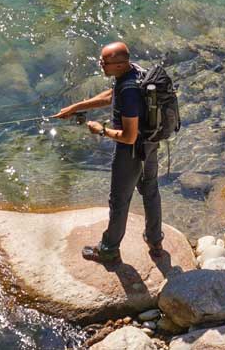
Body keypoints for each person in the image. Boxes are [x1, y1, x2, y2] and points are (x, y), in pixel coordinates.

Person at [53, 41, 163, 263]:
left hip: (131, 152)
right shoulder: (136, 72)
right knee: (150, 191)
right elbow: (111, 96)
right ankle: (155, 240)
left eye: (105, 62)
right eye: (101, 60)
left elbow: (129, 136)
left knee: (119, 200)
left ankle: (109, 249)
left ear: (121, 65)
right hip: (150, 144)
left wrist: (101, 130)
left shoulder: (129, 91)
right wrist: (76, 108)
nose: (100, 65)